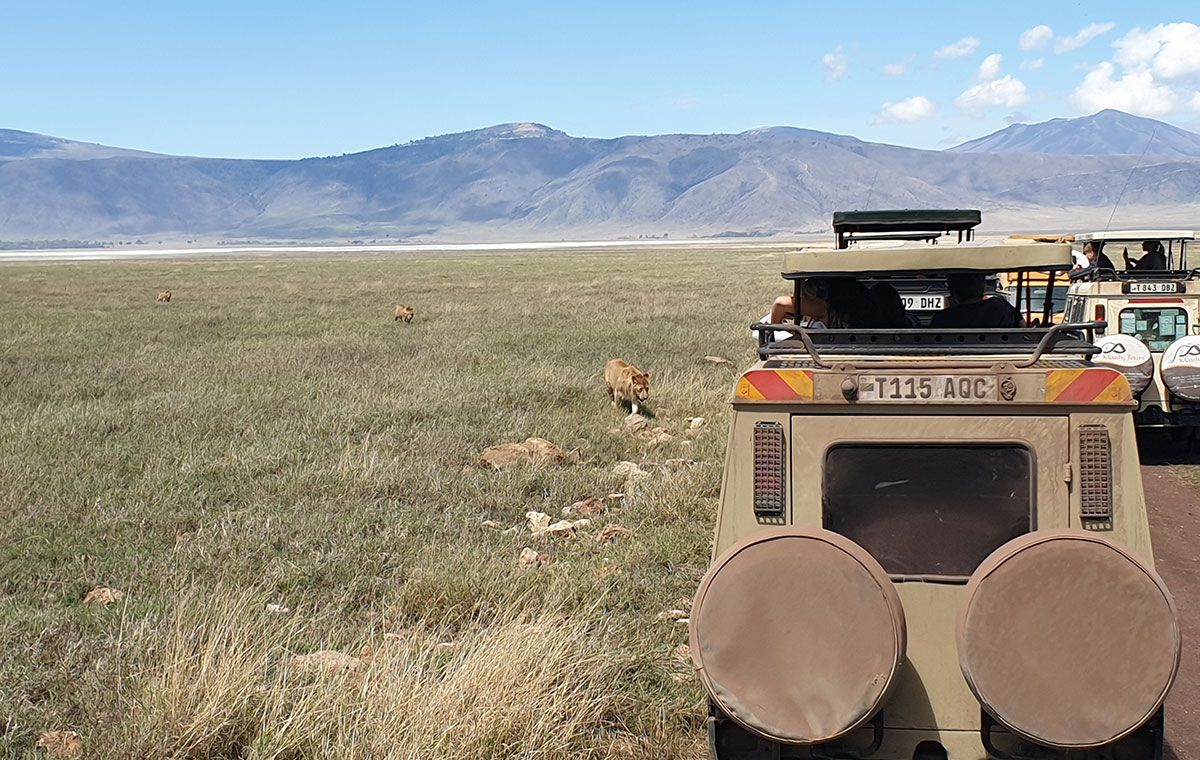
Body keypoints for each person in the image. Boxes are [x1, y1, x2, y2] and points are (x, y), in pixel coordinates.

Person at [930, 273, 1023, 328]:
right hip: (1003, 357)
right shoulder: (1002, 308)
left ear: (952, 291)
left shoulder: (941, 319)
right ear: (982, 286)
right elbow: (1022, 326)